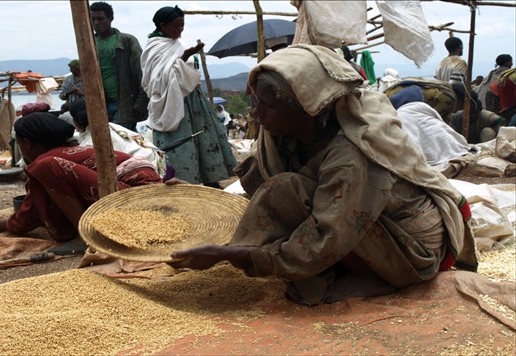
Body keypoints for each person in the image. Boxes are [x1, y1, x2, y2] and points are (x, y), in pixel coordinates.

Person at [168, 45, 478, 306]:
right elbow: (265, 193)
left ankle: (372, 275)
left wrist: (239, 256)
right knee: (282, 189)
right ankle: (336, 267)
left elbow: (328, 236)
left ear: (308, 107)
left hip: (411, 250)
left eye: (269, 105)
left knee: (287, 193)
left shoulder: (353, 156)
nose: (256, 114)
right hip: (357, 226)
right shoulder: (290, 138)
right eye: (255, 102)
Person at [0, 113, 162, 247]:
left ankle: (85, 237)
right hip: (142, 192)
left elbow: (29, 211)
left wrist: (9, 223)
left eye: (19, 144)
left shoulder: (46, 162)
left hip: (139, 195)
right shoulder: (71, 152)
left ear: (27, 144)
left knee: (45, 166)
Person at [140, 6, 237, 186]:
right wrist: (185, 56)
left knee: (203, 139)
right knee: (179, 144)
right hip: (172, 102)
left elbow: (183, 70)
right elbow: (156, 79)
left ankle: (210, 181)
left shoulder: (178, 43)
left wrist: (187, 57)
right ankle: (177, 182)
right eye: (176, 26)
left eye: (182, 26)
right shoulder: (154, 48)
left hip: (194, 101)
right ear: (162, 25)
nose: (180, 30)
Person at [69, 98, 172, 180]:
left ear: (76, 121)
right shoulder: (110, 125)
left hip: (152, 174)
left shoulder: (88, 144)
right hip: (162, 166)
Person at [90, 1, 149, 131]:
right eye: (93, 19)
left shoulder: (127, 41)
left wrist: (140, 104)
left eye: (100, 19)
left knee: (122, 144)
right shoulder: (88, 44)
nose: (96, 23)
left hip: (124, 104)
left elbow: (142, 74)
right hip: (100, 105)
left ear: (111, 18)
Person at [388, 85, 472, 168]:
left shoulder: (403, 116)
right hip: (459, 151)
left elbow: (411, 148)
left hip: (436, 163)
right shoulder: (426, 111)